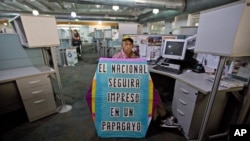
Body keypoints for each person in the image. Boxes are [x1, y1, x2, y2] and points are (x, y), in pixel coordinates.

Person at [112, 35, 178, 128]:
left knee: (153, 90)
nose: (128, 46)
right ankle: (161, 116)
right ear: (122, 45)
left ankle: (160, 116)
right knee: (150, 92)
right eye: (125, 44)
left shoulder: (135, 56)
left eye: (130, 44)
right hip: (123, 85)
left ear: (132, 46)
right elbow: (113, 74)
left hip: (135, 82)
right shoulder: (116, 57)